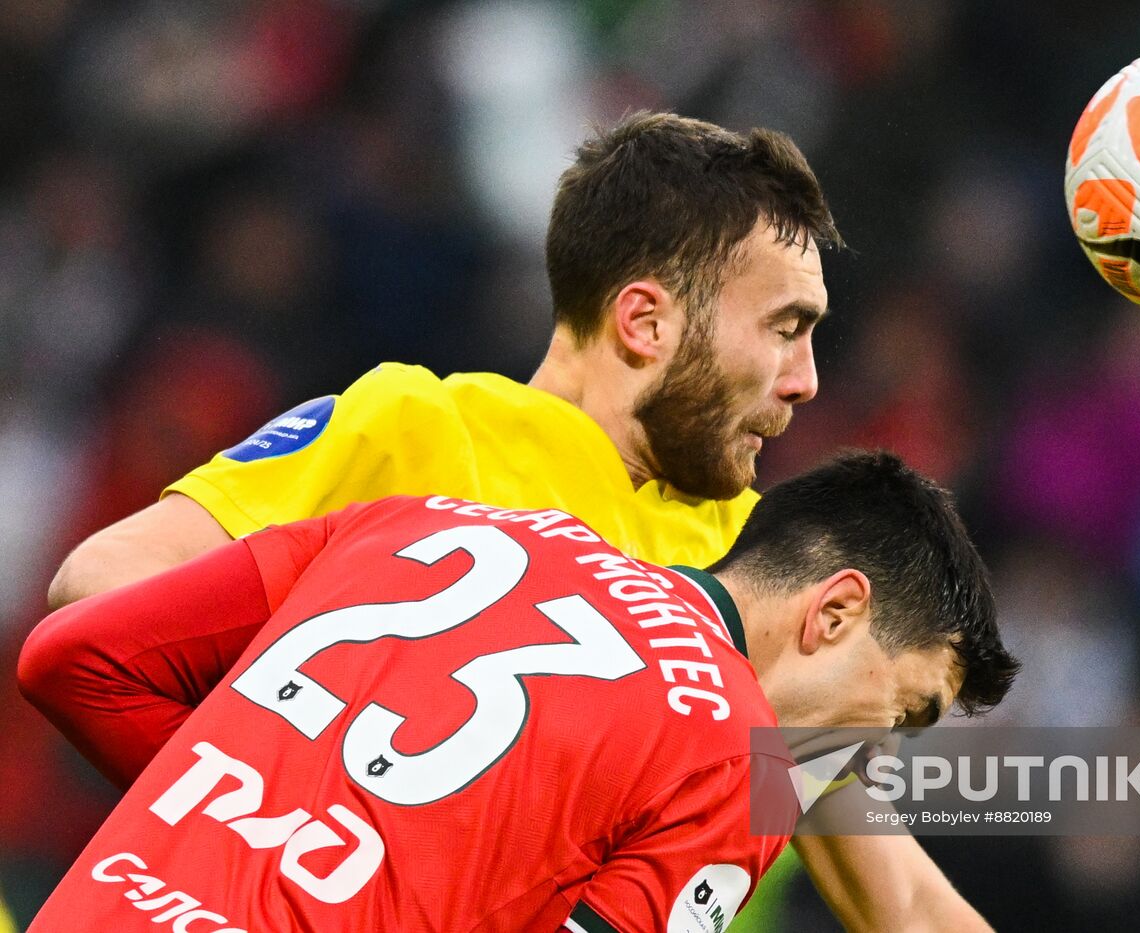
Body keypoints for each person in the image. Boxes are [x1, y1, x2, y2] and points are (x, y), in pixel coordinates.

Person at [46, 112, 985, 930]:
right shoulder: (414, 429)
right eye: (786, 326)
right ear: (647, 322)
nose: (808, 378)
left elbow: (895, 897)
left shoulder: (758, 569)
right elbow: (102, 586)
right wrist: (317, 823)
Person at [20, 452, 1018, 932]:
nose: (877, 750)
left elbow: (75, 658)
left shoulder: (417, 524)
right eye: (901, 712)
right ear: (833, 612)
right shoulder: (727, 749)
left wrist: (253, 804)